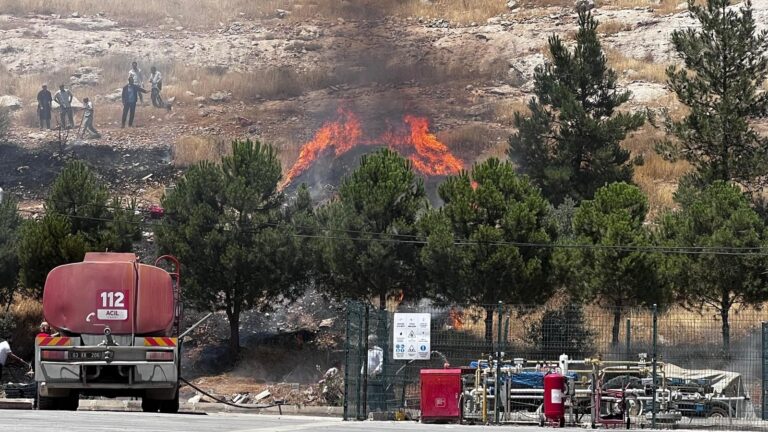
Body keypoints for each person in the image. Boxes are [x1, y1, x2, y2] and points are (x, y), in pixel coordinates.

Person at [363, 334, 385, 412]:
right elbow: (366, 363)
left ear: (373, 341)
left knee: (375, 393)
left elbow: (381, 362)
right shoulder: (368, 350)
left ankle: (377, 410)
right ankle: (373, 410)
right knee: (369, 394)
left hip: (376, 376)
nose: (367, 342)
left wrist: (376, 371)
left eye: (369, 340)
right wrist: (363, 372)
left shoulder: (379, 350)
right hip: (368, 375)